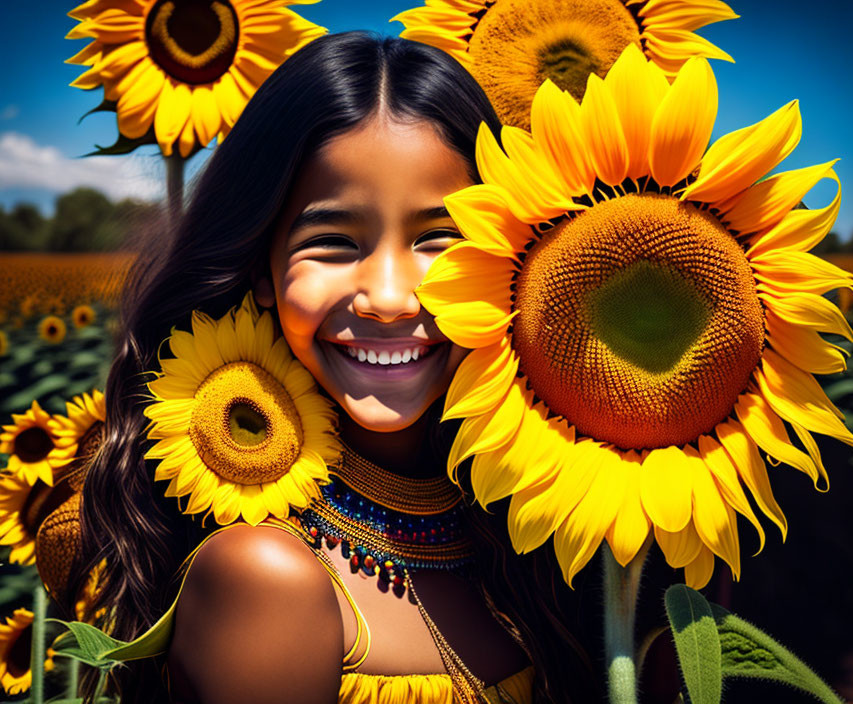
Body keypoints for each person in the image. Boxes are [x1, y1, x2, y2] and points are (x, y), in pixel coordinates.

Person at [65, 32, 602, 703]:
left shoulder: (536, 535)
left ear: (515, 260)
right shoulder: (267, 575)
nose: (386, 297)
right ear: (263, 267)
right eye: (333, 242)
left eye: (440, 240)